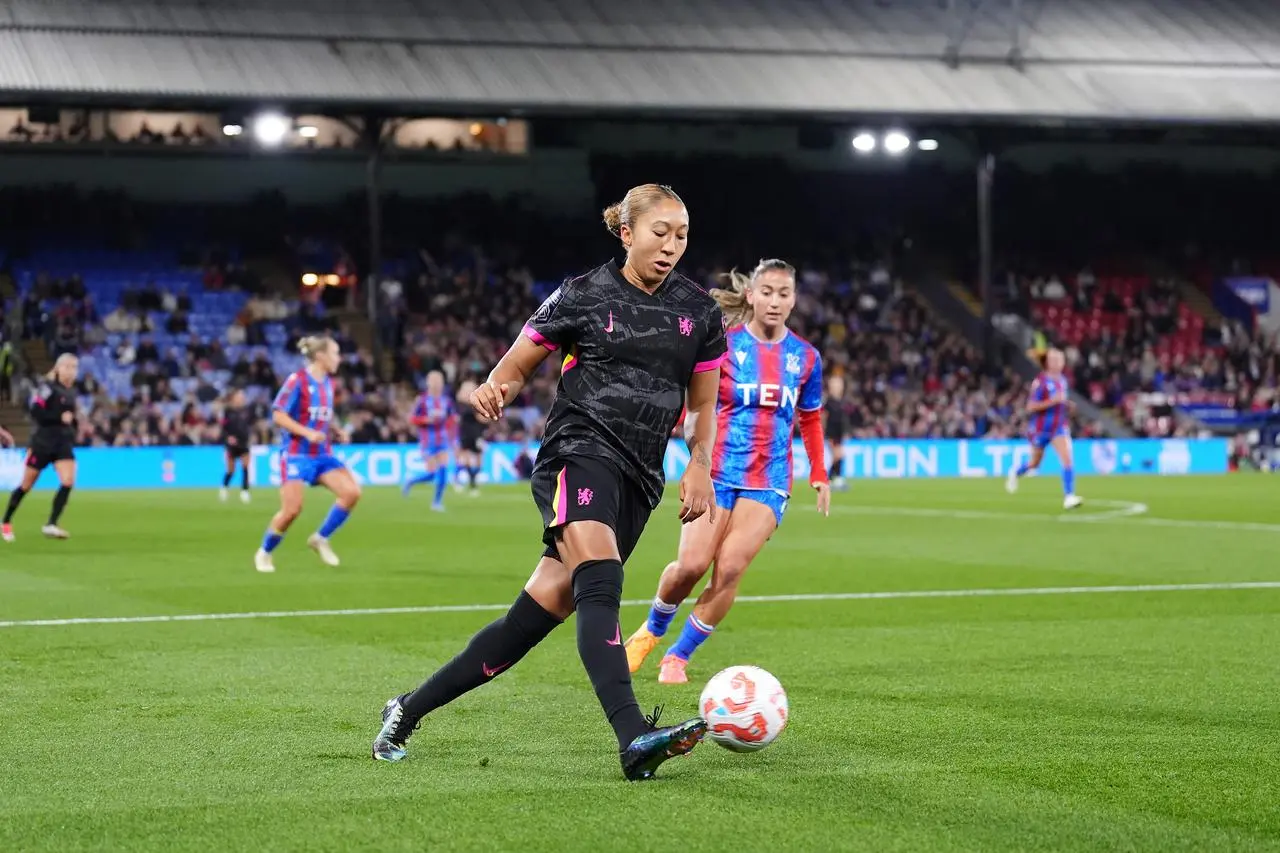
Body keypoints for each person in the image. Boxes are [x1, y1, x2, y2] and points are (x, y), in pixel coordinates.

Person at [372, 183, 727, 781]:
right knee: (603, 580)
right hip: (577, 453)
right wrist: (494, 389)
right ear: (627, 233)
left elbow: (703, 408)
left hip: (641, 477)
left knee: (528, 623)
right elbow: (513, 368)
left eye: (682, 235)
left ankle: (406, 711)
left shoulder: (701, 312)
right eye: (659, 232)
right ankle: (633, 736)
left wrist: (699, 465)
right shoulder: (583, 295)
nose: (671, 246)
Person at [624, 260, 831, 684]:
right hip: (714, 472)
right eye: (767, 292)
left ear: (794, 299)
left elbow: (809, 418)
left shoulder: (806, 358)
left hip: (769, 478)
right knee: (691, 565)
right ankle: (651, 631)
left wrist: (820, 473)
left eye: (784, 293)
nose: (775, 301)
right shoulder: (722, 345)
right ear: (751, 295)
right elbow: (694, 405)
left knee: (731, 568)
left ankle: (678, 657)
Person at [254, 335, 361, 573]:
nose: (339, 358)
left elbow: (323, 414)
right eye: (335, 353)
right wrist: (307, 433)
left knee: (352, 492)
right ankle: (265, 552)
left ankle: (320, 538)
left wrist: (335, 430)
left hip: (322, 454)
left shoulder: (328, 384)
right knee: (292, 510)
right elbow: (278, 415)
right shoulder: (298, 380)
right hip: (296, 454)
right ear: (321, 356)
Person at [2, 354, 80, 542]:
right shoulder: (47, 388)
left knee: (68, 480)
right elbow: (36, 412)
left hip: (62, 443)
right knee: (26, 485)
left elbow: (68, 418)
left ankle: (51, 523)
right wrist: (58, 418)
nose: (71, 371)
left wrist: (71, 426)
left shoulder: (71, 392)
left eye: (74, 367)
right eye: (67, 366)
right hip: (43, 443)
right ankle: (5, 521)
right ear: (58, 368)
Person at [1006, 347, 1083, 509]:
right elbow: (1031, 407)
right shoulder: (1040, 382)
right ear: (1048, 363)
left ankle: (1069, 496)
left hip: (1058, 427)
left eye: (1060, 359)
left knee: (1067, 459)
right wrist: (1053, 401)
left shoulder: (1062, 380)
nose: (1059, 362)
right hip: (1041, 429)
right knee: (1034, 464)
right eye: (1055, 359)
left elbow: (1059, 401)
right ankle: (1015, 472)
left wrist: (1067, 405)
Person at [402, 370, 454, 510]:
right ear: (428, 383)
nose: (437, 384)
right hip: (427, 440)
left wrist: (449, 428)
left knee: (443, 470)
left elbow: (451, 418)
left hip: (442, 440)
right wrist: (426, 420)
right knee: (431, 473)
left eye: (439, 381)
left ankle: (437, 502)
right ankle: (411, 481)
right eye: (434, 381)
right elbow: (412, 419)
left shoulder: (446, 401)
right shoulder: (422, 400)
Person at [219, 388, 254, 504]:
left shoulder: (247, 411)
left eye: (242, 396)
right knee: (231, 470)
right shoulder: (228, 411)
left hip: (244, 442)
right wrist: (228, 437)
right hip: (232, 444)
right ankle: (224, 487)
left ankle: (245, 491)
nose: (242, 398)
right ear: (234, 398)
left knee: (245, 467)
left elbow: (249, 425)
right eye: (239, 396)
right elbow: (223, 428)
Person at [453, 376, 484, 496]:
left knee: (478, 459)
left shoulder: (473, 404)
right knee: (466, 457)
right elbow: (481, 418)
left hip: (476, 432)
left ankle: (464, 480)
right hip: (466, 433)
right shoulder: (463, 405)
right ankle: (471, 483)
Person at [824, 374, 849, 490]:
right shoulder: (829, 402)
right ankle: (833, 478)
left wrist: (845, 432)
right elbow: (824, 417)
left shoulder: (841, 402)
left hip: (838, 434)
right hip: (832, 433)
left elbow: (843, 420)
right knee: (837, 455)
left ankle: (831, 479)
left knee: (839, 456)